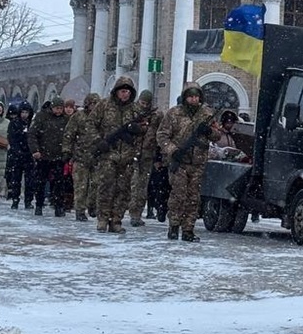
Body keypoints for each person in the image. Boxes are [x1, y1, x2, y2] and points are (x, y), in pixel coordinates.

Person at [156, 83, 217, 241]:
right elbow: (162, 135)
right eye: (190, 96)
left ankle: (188, 229)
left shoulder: (207, 114)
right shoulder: (174, 113)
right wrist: (172, 150)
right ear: (185, 97)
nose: (194, 99)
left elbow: (217, 136)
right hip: (180, 161)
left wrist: (209, 131)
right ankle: (174, 226)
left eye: (196, 96)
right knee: (178, 195)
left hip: (198, 162)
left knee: (193, 197)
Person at [89, 76, 146, 233]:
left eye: (127, 91)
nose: (125, 94)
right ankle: (102, 219)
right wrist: (98, 141)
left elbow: (145, 128)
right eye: (122, 91)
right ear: (116, 92)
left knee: (123, 190)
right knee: (106, 187)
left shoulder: (135, 109)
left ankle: (116, 220)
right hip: (108, 154)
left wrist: (137, 130)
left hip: (127, 156)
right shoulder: (104, 106)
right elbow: (91, 124)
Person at [62, 93, 100, 221]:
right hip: (80, 156)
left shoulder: (101, 118)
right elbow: (69, 134)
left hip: (97, 157)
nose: (94, 107)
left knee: (96, 184)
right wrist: (67, 151)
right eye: (92, 104)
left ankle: (92, 205)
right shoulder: (78, 117)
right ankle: (80, 210)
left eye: (96, 104)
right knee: (81, 186)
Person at [30, 96, 70, 217]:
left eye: (60, 108)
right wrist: (35, 150)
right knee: (41, 182)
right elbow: (32, 134)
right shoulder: (42, 117)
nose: (58, 111)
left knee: (59, 183)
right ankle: (39, 204)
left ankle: (58, 206)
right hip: (44, 155)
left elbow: (69, 136)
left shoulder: (66, 120)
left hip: (59, 156)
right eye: (56, 108)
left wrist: (67, 152)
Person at [128, 89, 161, 226]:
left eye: (146, 103)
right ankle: (130, 211)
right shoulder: (131, 113)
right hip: (132, 155)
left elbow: (160, 136)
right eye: (142, 102)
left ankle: (137, 214)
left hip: (147, 156)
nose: (144, 105)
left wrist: (158, 158)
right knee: (133, 184)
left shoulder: (156, 116)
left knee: (142, 186)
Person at [5, 100, 35, 209]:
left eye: (26, 113)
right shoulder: (14, 123)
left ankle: (28, 200)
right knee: (15, 179)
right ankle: (15, 199)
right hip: (16, 155)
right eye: (22, 112)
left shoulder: (32, 124)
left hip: (29, 155)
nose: (24, 115)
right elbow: (12, 138)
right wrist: (17, 151)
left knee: (30, 180)